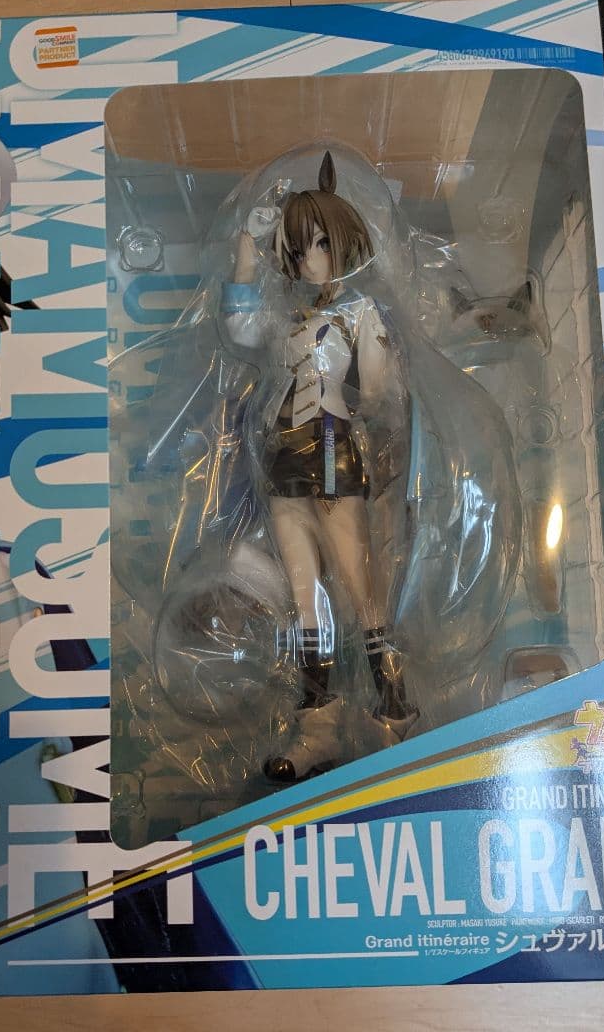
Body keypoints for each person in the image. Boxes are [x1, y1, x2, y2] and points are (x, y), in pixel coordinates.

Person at [221, 150, 418, 781]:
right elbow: (240, 329)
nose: (309, 258)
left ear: (344, 241)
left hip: (335, 456)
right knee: (308, 601)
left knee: (362, 596)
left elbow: (383, 396)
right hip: (284, 462)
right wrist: (246, 255)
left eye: (321, 243)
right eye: (299, 246)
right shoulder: (286, 317)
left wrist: (371, 443)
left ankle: (396, 717)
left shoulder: (362, 313)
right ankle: (318, 730)